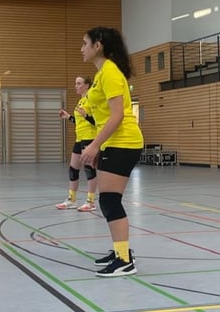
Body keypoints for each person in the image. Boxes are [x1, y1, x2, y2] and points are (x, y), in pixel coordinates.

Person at [80, 27, 144, 277]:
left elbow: (117, 116)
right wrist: (100, 144)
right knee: (108, 199)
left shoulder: (109, 72)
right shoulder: (102, 73)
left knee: (109, 200)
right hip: (114, 143)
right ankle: (120, 251)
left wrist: (95, 144)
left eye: (85, 43)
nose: (81, 48)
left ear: (98, 45)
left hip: (123, 142)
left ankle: (124, 260)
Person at [56, 76, 98, 212]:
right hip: (79, 138)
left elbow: (97, 122)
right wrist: (68, 117)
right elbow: (80, 121)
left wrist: (87, 116)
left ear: (87, 85)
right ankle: (72, 199)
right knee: (73, 169)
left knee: (89, 169)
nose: (76, 86)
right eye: (75, 83)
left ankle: (90, 201)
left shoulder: (91, 100)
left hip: (89, 138)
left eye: (79, 83)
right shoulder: (80, 101)